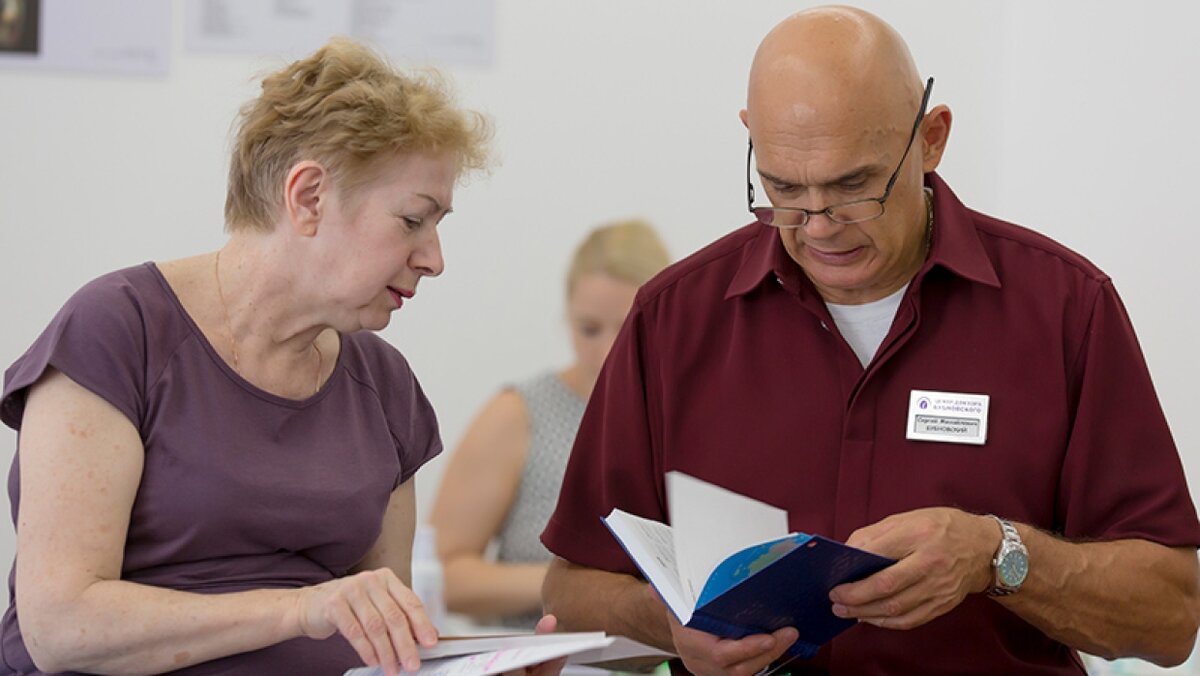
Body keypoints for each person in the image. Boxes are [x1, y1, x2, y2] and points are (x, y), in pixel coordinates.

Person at [540, 6, 1200, 675]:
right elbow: (570, 589)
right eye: (784, 189)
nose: (820, 227)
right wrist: (673, 626)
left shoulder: (1065, 309)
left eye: (855, 187)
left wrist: (996, 556)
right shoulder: (673, 318)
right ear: (751, 140)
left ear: (932, 139)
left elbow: (1171, 617)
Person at [0, 38, 564, 676]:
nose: (435, 259)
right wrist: (300, 611)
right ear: (308, 197)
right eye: (413, 221)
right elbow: (60, 626)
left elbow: (384, 642)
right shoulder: (117, 332)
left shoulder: (385, 385)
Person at [430, 220, 671, 629]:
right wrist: (581, 591)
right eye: (589, 329)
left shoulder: (685, 417)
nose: (609, 349)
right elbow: (438, 574)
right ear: (568, 317)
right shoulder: (520, 415)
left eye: (629, 329)